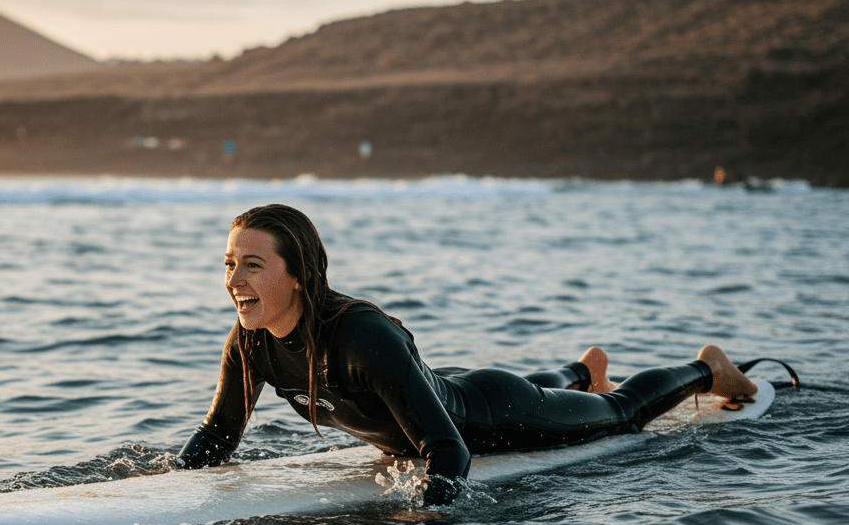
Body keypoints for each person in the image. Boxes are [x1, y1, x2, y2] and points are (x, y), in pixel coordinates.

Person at [176, 204, 758, 505]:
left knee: (622, 415)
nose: (234, 280)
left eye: (252, 265)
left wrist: (428, 516)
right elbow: (220, 433)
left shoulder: (361, 337)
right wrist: (176, 479)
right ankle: (584, 371)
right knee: (507, 391)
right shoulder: (249, 340)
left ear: (299, 274)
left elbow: (448, 449)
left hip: (489, 414)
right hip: (442, 387)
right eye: (230, 263)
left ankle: (707, 366)